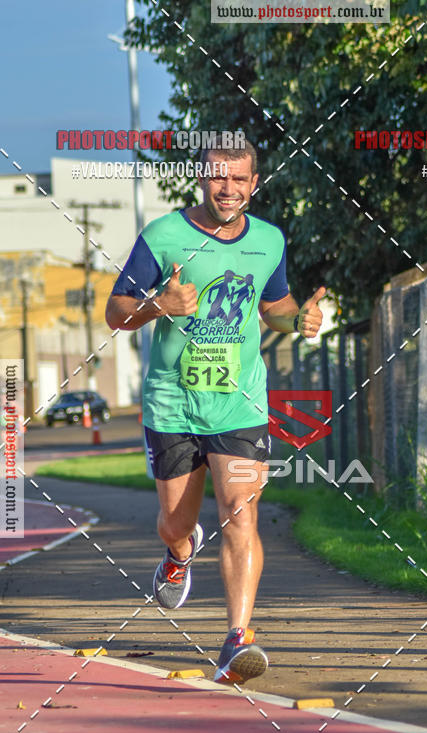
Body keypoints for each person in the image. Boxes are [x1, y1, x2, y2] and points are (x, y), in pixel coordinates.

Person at [105, 136, 325, 686]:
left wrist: (297, 321)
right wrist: (160, 304)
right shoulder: (164, 237)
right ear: (202, 177)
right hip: (173, 403)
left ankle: (237, 640)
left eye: (239, 179)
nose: (227, 188)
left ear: (254, 183)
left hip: (240, 402)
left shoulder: (269, 241)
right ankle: (179, 556)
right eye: (217, 176)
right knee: (177, 523)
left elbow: (273, 306)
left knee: (240, 514)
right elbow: (116, 311)